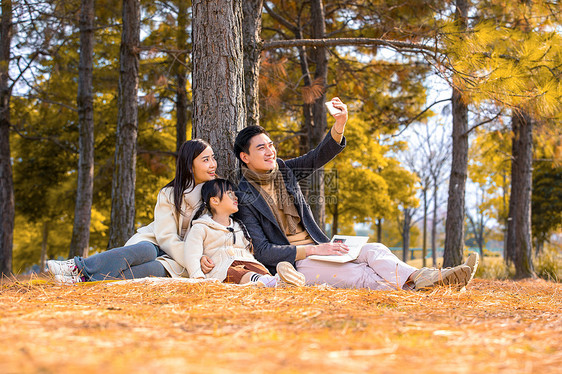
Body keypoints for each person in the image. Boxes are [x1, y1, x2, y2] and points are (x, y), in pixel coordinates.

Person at [227, 97, 478, 291]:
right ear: (245, 157)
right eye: (261, 147)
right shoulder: (244, 196)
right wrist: (315, 251)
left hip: (321, 246)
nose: (270, 151)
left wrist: (340, 124)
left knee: (373, 250)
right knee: (361, 275)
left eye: (271, 144)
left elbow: (316, 157)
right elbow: (263, 251)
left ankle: (428, 278)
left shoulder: (283, 169)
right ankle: (428, 288)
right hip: (297, 262)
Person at [47, 139, 218, 284]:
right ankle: (78, 266)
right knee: (147, 251)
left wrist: (195, 259)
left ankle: (80, 280)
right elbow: (166, 238)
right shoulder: (169, 194)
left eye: (213, 158)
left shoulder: (217, 195)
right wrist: (192, 257)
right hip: (157, 243)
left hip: (180, 261)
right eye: (205, 160)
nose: (213, 165)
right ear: (189, 166)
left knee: (151, 269)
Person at [184, 178, 305, 287]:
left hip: (247, 262)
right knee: (236, 273)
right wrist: (197, 277)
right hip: (222, 267)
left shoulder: (239, 226)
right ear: (215, 200)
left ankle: (279, 280)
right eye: (230, 194)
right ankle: (272, 282)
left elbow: (248, 250)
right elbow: (192, 254)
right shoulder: (201, 227)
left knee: (259, 269)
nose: (236, 197)